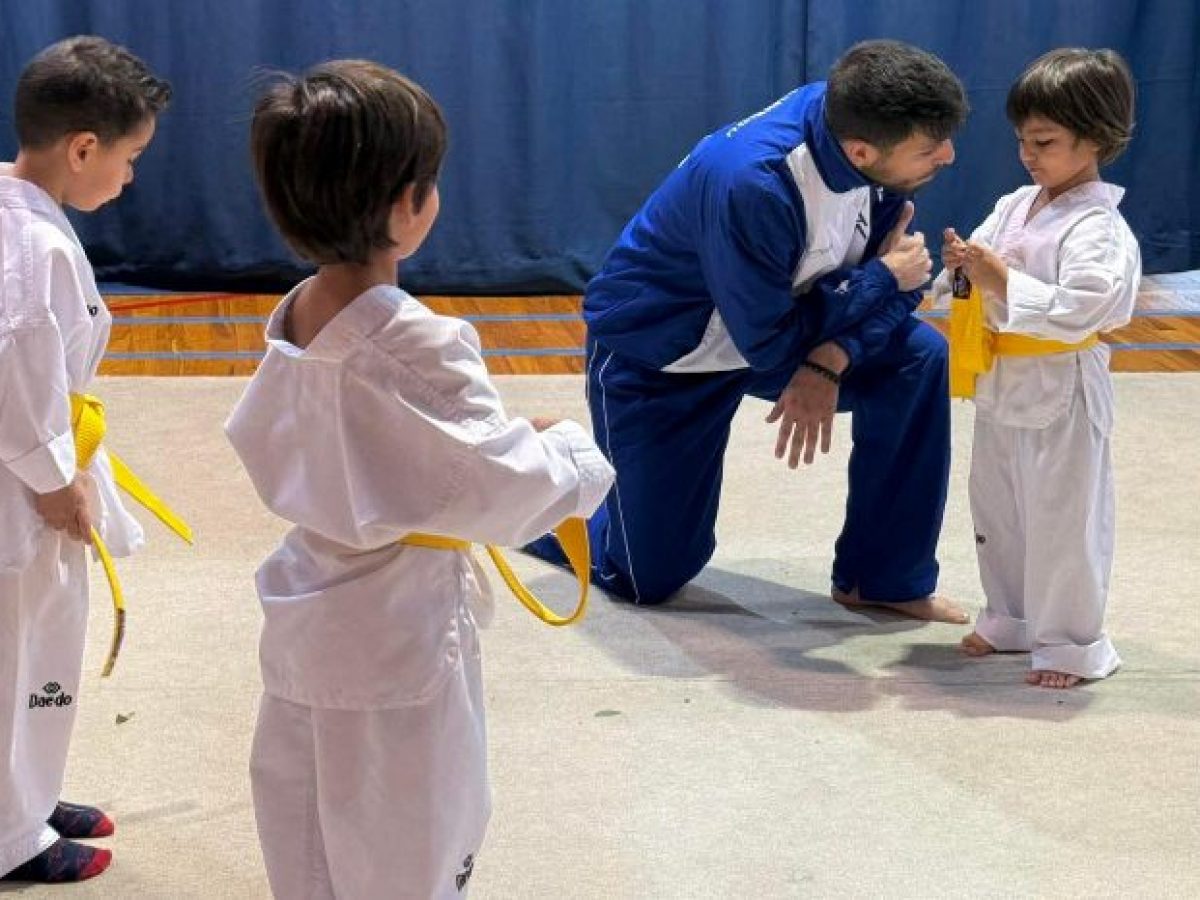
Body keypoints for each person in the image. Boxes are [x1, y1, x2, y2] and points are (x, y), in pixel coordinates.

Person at [226, 60, 614, 898]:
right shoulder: (417, 342)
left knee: (308, 824)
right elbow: (501, 489)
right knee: (415, 838)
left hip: (308, 603)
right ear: (409, 206)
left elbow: (401, 450)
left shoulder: (297, 313)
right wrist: (571, 453)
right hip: (399, 627)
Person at [526, 40, 970, 621]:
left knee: (919, 358)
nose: (949, 156)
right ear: (860, 152)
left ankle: (881, 577)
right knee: (648, 577)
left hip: (779, 330)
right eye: (931, 148)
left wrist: (832, 358)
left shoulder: (865, 129)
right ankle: (547, 470)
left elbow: (905, 280)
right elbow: (777, 343)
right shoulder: (753, 184)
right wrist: (879, 282)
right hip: (662, 356)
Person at [0, 37, 170, 884]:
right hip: (22, 485)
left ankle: (28, 791)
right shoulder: (38, 250)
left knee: (40, 648)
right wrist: (54, 481)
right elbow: (15, 367)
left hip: (36, 459)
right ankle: (9, 833)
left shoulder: (15, 210)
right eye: (130, 157)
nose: (131, 176)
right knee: (21, 651)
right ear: (82, 149)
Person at [938, 48, 1140, 688]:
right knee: (999, 508)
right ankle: (1011, 619)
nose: (1029, 154)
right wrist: (960, 267)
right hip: (1002, 382)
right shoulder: (1015, 203)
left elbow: (1084, 310)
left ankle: (1072, 646)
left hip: (1064, 386)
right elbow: (976, 269)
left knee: (1063, 517)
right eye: (1024, 140)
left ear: (1096, 137)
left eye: (1045, 141)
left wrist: (1002, 279)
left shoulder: (1099, 227)